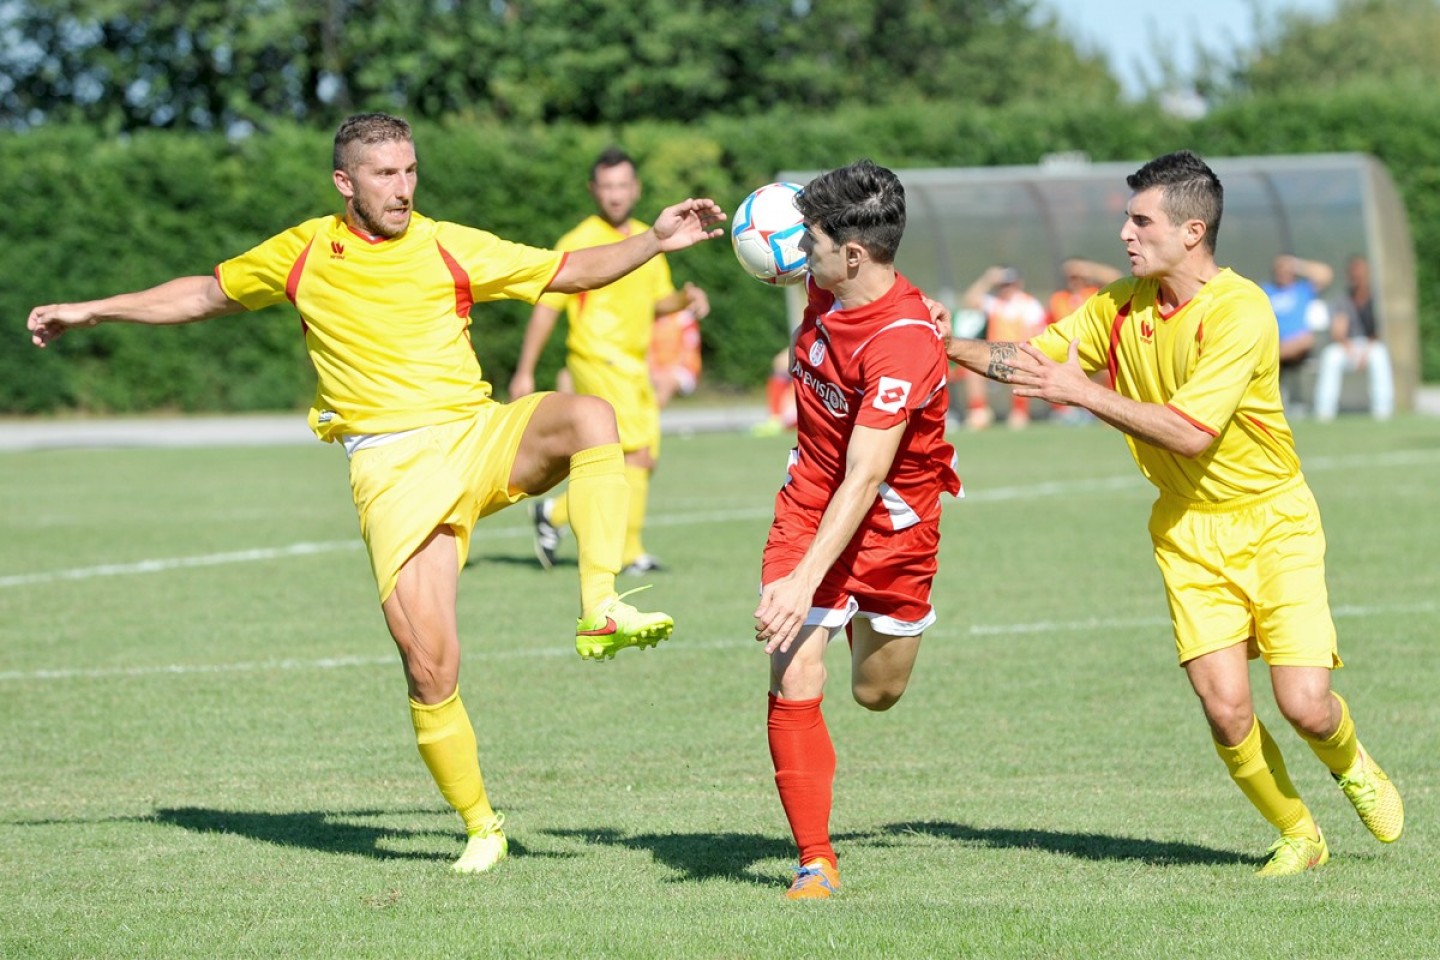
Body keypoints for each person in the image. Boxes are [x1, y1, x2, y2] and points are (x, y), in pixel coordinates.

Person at [26, 113, 726, 875]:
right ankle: (483, 825)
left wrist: (656, 241)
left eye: (411, 170)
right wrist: (92, 309)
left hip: (476, 436)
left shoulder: (448, 243)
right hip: (391, 470)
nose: (403, 187)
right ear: (345, 182)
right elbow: (202, 294)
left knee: (593, 416)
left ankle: (600, 604)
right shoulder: (301, 254)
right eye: (385, 174)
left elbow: (569, 271)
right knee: (431, 667)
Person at [946, 150, 1403, 877]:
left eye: (1140, 220)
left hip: (1272, 520)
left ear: (1193, 231)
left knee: (1305, 705)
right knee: (1225, 710)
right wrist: (942, 341)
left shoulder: (1240, 310)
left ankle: (1352, 764)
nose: (1125, 235)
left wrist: (1084, 393)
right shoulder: (1121, 305)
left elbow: (1192, 431)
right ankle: (1298, 834)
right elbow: (1032, 360)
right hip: (1188, 529)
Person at [754, 159, 960, 900]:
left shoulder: (902, 340)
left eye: (808, 241)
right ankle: (816, 860)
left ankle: (846, 615)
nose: (799, 254)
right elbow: (833, 478)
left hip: (892, 530)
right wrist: (800, 578)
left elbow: (866, 477)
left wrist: (810, 578)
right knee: (794, 667)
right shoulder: (829, 277)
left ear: (854, 252)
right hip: (808, 502)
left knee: (877, 694)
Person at [510, 147, 710, 577]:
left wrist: (685, 299)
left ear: (635, 189)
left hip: (633, 364)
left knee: (642, 456)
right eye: (607, 186)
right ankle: (625, 551)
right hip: (595, 358)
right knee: (633, 451)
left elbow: (658, 303)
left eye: (622, 185)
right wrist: (525, 370)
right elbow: (547, 307)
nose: (615, 195)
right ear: (593, 190)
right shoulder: (578, 240)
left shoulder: (647, 236)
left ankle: (557, 515)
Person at [960, 265, 1046, 429]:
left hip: (1019, 356)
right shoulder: (994, 303)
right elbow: (969, 301)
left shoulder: (1029, 304)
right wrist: (988, 280)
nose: (1007, 288)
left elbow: (1038, 334)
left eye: (1010, 284)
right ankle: (979, 412)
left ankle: (1019, 412)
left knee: (1021, 367)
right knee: (970, 370)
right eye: (1003, 284)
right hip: (994, 356)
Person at [1314, 255, 1393, 421]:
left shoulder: (1375, 300)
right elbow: (1338, 332)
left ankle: (1383, 410)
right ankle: (1324, 411)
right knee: (1331, 357)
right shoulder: (1343, 300)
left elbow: (1377, 332)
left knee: (1380, 355)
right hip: (1346, 346)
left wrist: (1365, 353)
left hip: (1369, 346)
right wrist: (1349, 349)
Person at [1262, 253, 1333, 413]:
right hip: (1273, 342)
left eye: (1287, 269)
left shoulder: (1302, 290)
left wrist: (1297, 264)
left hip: (1296, 348)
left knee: (1306, 339)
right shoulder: (1266, 291)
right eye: (1280, 269)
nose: (1283, 273)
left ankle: (1271, 355)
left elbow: (1326, 275)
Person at [648, 305, 703, 408]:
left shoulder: (683, 317)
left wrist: (663, 371)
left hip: (682, 369)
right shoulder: (647, 317)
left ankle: (649, 418)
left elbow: (688, 352)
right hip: (654, 370)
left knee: (665, 382)